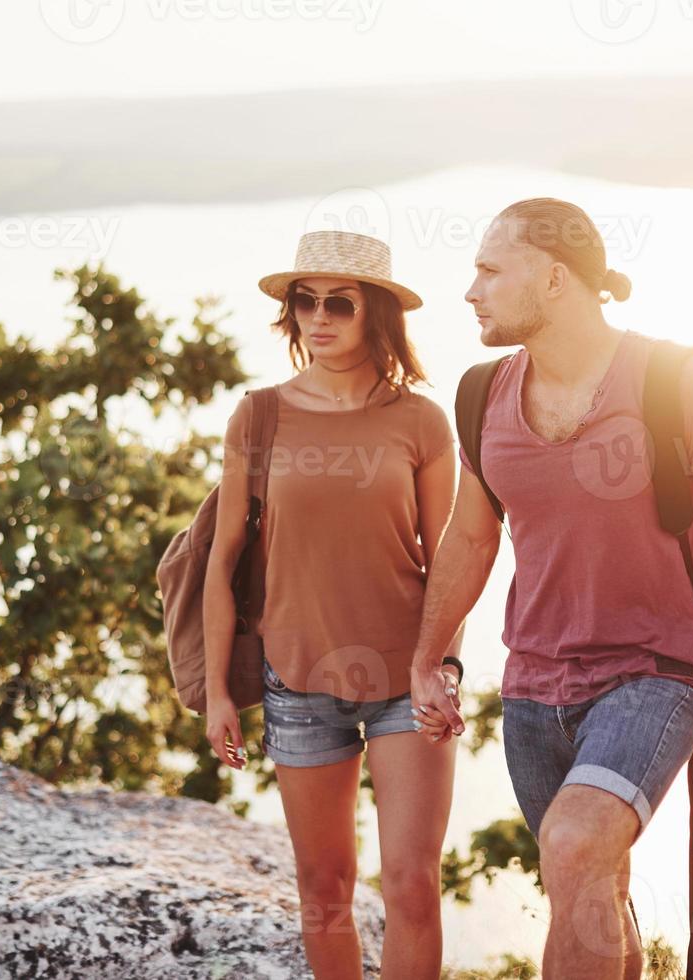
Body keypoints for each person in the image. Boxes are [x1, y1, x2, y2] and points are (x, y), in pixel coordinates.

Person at [408, 198, 693, 979]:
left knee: (573, 844)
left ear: (555, 279)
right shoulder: (483, 394)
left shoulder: (680, 383)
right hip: (531, 691)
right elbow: (470, 535)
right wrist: (429, 659)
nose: (470, 290)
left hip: (655, 675)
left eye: (490, 269)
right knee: (591, 889)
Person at [202, 229, 466, 980]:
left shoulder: (421, 421)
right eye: (304, 302)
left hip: (405, 678)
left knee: (413, 885)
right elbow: (223, 564)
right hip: (297, 680)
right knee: (324, 891)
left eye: (338, 304)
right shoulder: (257, 418)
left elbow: (449, 560)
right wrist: (219, 693)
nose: (318, 318)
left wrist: (440, 666)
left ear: (375, 314)